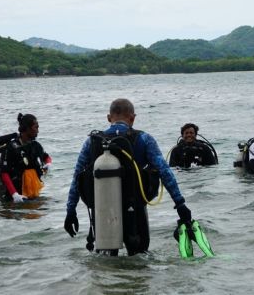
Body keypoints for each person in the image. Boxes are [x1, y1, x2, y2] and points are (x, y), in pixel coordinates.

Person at [64, 98, 193, 256]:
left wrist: (71, 211)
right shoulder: (144, 139)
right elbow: (165, 172)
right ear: (132, 118)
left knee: (107, 264)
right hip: (135, 210)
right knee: (139, 261)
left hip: (103, 212)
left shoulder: (91, 142)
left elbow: (77, 177)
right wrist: (180, 205)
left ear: (108, 117)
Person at [0, 113, 52, 203]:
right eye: (36, 127)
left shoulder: (35, 145)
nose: (38, 131)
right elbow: (4, 173)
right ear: (27, 128)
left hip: (33, 194)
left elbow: (46, 157)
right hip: (16, 196)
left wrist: (48, 163)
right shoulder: (11, 147)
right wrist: (14, 194)